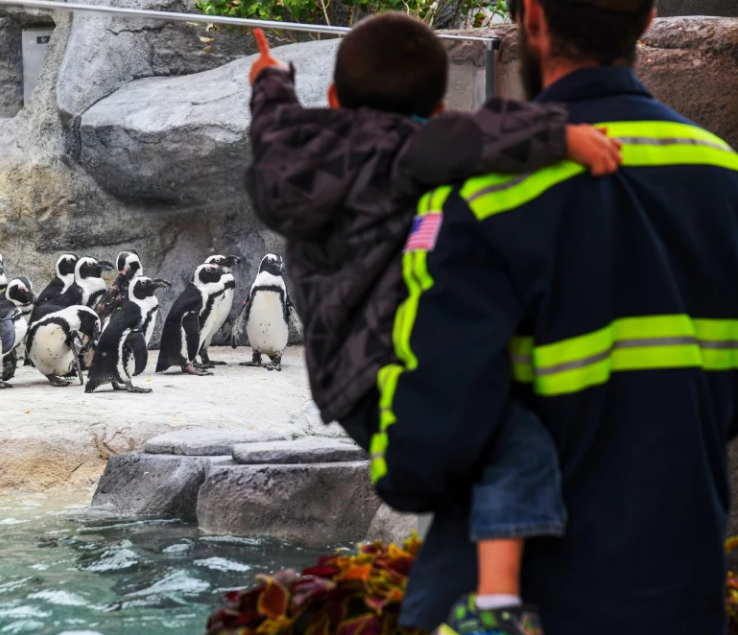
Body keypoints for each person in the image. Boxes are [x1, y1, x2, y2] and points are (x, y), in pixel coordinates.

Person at [351, 0, 738, 634]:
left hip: (520, 601)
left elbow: (428, 438)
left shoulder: (484, 186)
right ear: (646, 19)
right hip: (678, 593)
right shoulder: (723, 175)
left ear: (532, 17)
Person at [246, 15, 621, 634]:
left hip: (342, 377)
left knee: (470, 464)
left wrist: (271, 80)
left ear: (334, 99)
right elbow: (477, 138)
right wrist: (563, 135)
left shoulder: (292, 153)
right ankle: (492, 610)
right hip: (402, 366)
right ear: (438, 108)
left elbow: (273, 124)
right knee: (519, 446)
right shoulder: (406, 149)